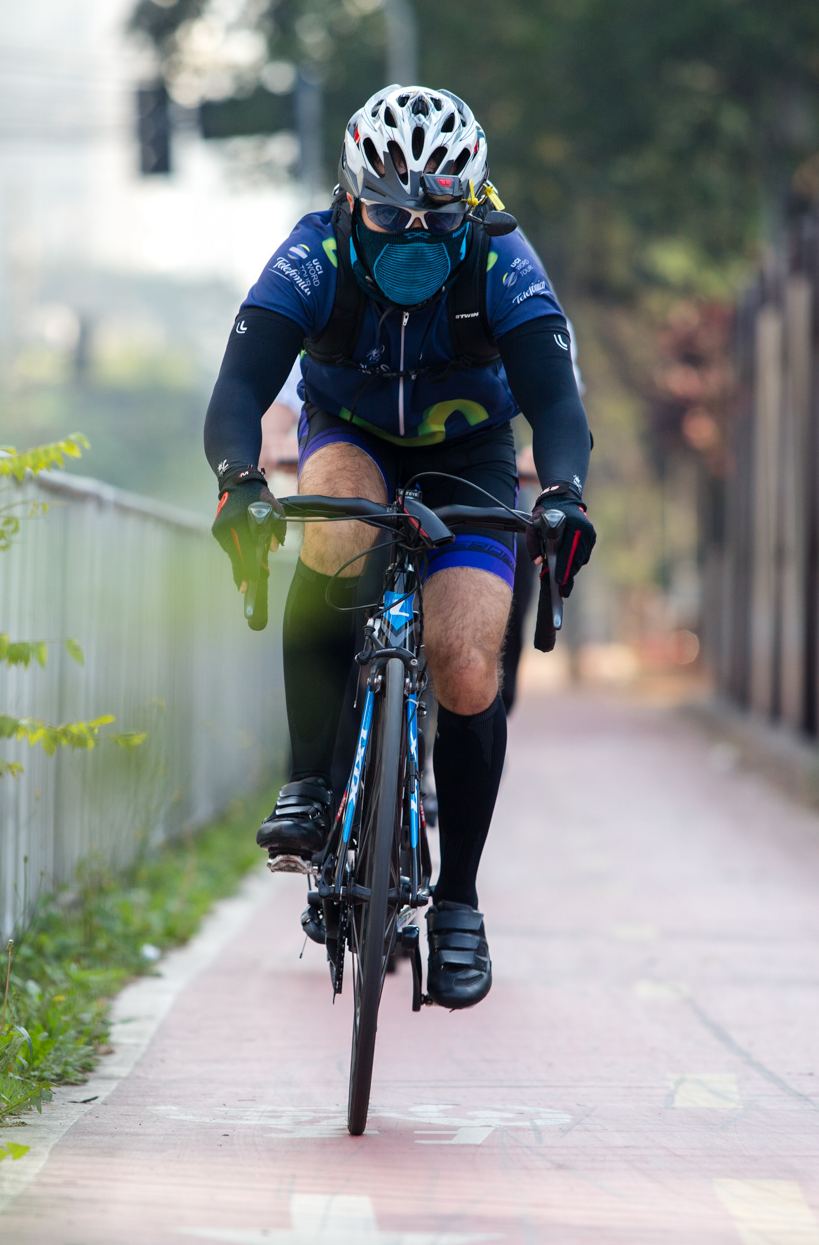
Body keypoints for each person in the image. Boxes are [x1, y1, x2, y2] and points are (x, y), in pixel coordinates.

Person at [202, 85, 594, 1009]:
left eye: (440, 212)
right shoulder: (315, 252)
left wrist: (566, 495)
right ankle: (307, 780)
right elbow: (239, 390)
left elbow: (559, 405)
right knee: (334, 532)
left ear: (475, 203)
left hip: (470, 450)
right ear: (349, 200)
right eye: (388, 212)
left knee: (466, 662)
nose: (413, 232)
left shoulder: (502, 259)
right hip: (351, 433)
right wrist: (241, 483)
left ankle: (457, 903)